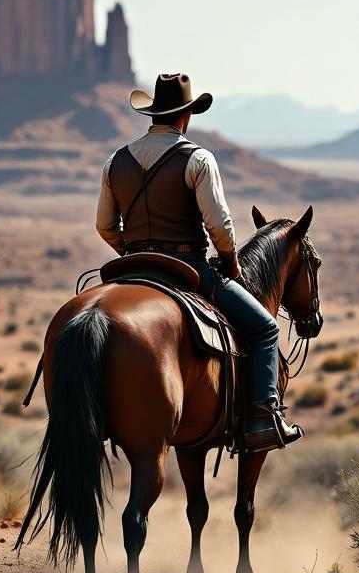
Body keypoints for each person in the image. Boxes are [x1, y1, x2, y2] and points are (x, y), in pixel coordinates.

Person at [95, 72, 303, 453]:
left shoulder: (116, 161)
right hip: (188, 269)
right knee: (264, 331)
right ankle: (262, 419)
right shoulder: (197, 159)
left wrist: (130, 252)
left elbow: (104, 226)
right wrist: (231, 264)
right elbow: (220, 226)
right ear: (186, 116)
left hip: (132, 265)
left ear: (154, 114)